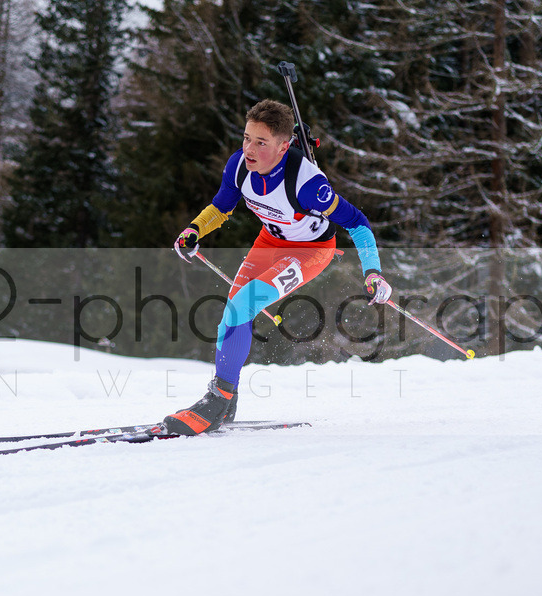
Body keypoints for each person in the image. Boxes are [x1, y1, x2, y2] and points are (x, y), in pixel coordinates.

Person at [163, 99, 392, 435]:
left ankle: (216, 398)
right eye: (246, 138)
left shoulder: (308, 183)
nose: (249, 149)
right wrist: (194, 229)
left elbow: (357, 223)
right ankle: (227, 404)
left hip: (310, 251)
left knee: (243, 303)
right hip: (269, 243)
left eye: (261, 142)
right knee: (233, 312)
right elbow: (221, 206)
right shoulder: (239, 166)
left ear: (284, 147)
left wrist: (372, 271)